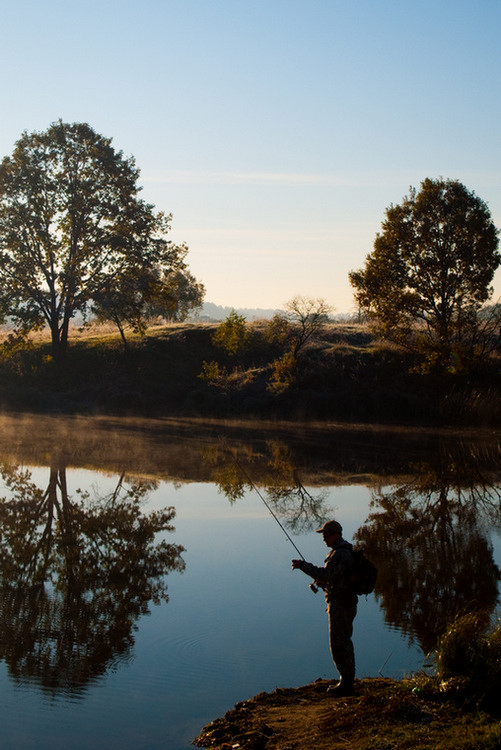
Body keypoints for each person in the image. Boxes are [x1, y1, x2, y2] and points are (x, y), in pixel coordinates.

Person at [292, 519, 357, 696]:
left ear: (336, 534)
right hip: (343, 601)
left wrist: (303, 566)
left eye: (327, 535)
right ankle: (347, 680)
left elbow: (327, 574)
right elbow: (335, 577)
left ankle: (346, 683)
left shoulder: (340, 554)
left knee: (339, 642)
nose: (324, 539)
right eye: (323, 535)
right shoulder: (342, 551)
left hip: (341, 604)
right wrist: (324, 583)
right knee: (343, 641)